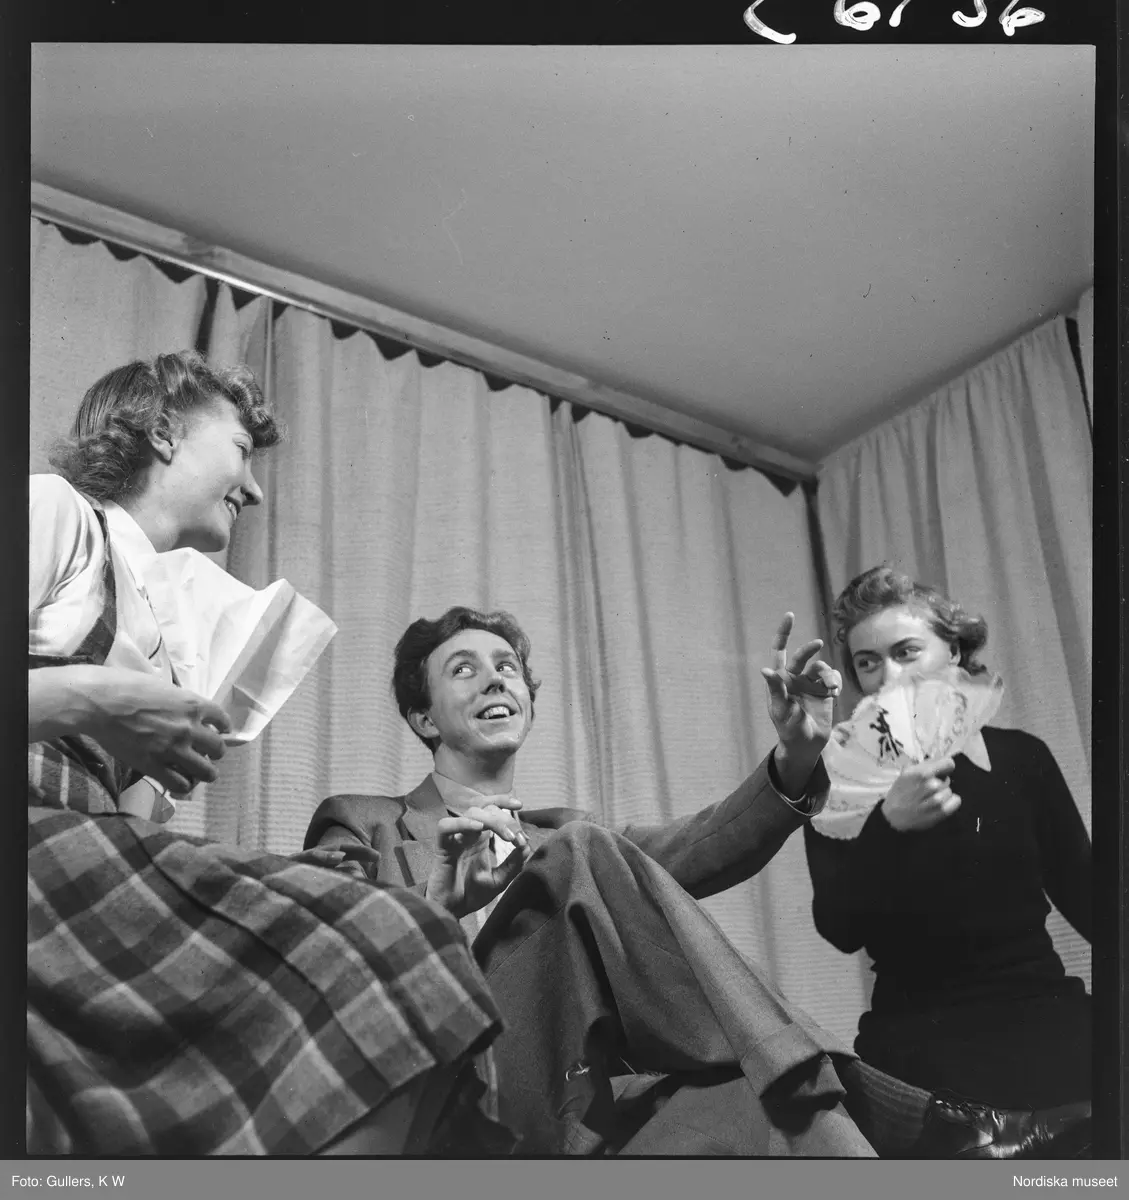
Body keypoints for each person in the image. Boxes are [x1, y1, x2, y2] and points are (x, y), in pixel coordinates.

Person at [303, 606, 1073, 1157]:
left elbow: (704, 847)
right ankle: (920, 1118)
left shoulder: (568, 834)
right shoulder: (362, 821)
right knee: (581, 852)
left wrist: (797, 757)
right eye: (462, 669)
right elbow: (320, 969)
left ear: (530, 699)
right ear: (424, 717)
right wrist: (437, 909)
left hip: (578, 1101)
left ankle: (926, 1134)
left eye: (506, 667)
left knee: (764, 1103)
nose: (493, 679)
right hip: (446, 1097)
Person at [28, 352, 506, 1156]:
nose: (252, 489)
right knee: (390, 945)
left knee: (411, 947)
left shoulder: (172, 640)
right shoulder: (57, 514)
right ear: (165, 432)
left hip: (90, 875)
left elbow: (132, 836)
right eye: (242, 451)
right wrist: (95, 700)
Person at [802, 566, 1092, 1156]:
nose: (889, 676)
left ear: (954, 651)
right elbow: (838, 927)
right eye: (868, 663)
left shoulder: (1023, 757)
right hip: (924, 1048)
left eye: (906, 651)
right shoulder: (841, 779)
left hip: (1047, 1019)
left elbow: (1093, 900)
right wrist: (888, 826)